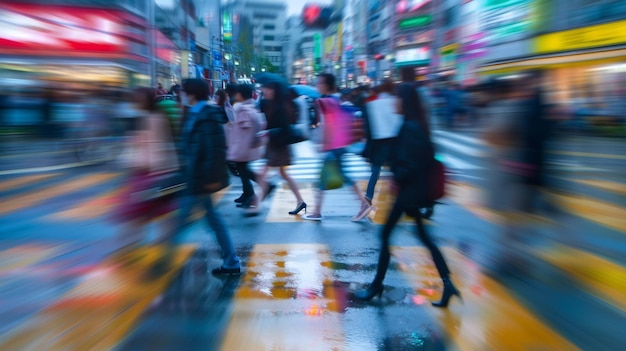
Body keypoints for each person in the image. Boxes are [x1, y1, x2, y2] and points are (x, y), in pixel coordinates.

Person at [355, 83, 460, 308]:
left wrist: (397, 176)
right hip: (415, 191)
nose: (394, 102)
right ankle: (448, 284)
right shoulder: (412, 124)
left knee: (385, 235)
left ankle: (376, 285)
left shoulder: (410, 127)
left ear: (406, 101)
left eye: (397, 98)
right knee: (424, 238)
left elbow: (411, 164)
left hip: (409, 192)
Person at [169, 78, 241, 275]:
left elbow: (214, 150)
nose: (180, 94)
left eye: (183, 91)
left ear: (191, 93)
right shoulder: (195, 113)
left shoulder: (205, 115)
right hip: (194, 176)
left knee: (181, 220)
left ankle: (163, 261)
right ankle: (231, 262)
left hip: (199, 179)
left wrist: (211, 179)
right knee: (212, 220)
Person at [113, 87, 178, 265]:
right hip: (151, 174)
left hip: (151, 175)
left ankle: (135, 246)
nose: (136, 102)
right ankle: (137, 246)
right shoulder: (150, 118)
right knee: (147, 212)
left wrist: (135, 160)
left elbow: (153, 148)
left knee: (140, 212)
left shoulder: (152, 119)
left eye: (138, 99)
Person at [302, 73, 371, 221]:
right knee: (344, 176)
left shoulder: (327, 101)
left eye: (320, 83)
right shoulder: (338, 98)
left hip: (334, 146)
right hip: (340, 145)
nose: (318, 85)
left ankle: (317, 211)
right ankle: (363, 204)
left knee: (324, 180)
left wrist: (325, 144)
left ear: (327, 85)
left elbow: (329, 125)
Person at [257, 80, 306, 215]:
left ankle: (256, 204)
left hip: (279, 146)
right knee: (283, 174)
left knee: (262, 174)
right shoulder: (269, 105)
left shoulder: (280, 108)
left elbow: (285, 129)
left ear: (275, 91)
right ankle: (300, 201)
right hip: (274, 145)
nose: (264, 91)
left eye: (267, 89)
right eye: (264, 88)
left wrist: (269, 132)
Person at [356, 79, 403, 221]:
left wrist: (368, 145)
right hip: (395, 141)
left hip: (378, 141)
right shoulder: (396, 101)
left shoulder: (372, 104)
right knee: (396, 170)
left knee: (375, 171)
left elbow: (368, 127)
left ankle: (368, 199)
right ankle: (399, 197)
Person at [227, 84, 267, 212]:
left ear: (240, 94)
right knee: (242, 170)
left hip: (243, 147)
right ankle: (248, 194)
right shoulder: (250, 107)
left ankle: (263, 186)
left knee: (243, 170)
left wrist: (235, 149)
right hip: (245, 147)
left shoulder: (243, 109)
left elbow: (243, 133)